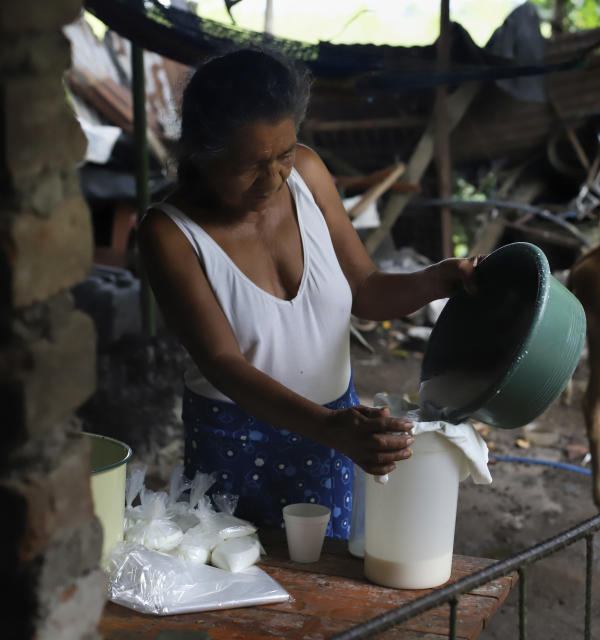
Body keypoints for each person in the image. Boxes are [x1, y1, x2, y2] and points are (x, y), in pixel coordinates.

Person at [139, 48, 479, 537]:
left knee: (328, 579)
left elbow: (365, 289)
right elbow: (223, 363)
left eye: (283, 154)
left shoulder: (309, 174)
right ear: (203, 153)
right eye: (249, 164)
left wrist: (440, 278)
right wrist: (329, 427)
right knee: (239, 585)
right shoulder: (171, 234)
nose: (274, 177)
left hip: (335, 431)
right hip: (236, 444)